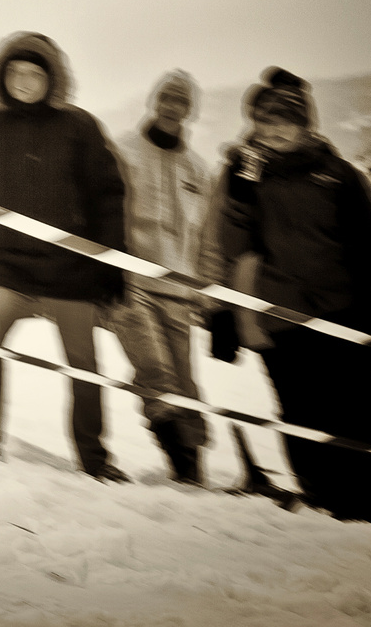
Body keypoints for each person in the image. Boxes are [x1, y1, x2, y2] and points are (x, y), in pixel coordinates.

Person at [201, 68, 371, 528]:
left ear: (306, 122)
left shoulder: (337, 173)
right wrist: (222, 311)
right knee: (302, 414)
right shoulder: (243, 172)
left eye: (286, 119)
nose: (275, 129)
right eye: (266, 120)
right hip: (278, 316)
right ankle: (336, 503)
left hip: (343, 312)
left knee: (363, 408)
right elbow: (224, 241)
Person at [0, 33, 131, 482]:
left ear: (52, 78)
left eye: (34, 73)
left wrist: (113, 267)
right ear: (0, 77)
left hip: (73, 272)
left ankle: (94, 457)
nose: (24, 81)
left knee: (84, 362)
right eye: (15, 73)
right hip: (10, 268)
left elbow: (109, 196)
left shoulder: (79, 127)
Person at [106, 71, 211, 485]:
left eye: (181, 100)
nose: (172, 106)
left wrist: (204, 293)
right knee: (155, 371)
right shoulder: (123, 150)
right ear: (154, 100)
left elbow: (201, 236)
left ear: (190, 110)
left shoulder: (198, 169)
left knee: (186, 382)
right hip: (129, 281)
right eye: (166, 97)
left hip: (180, 290)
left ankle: (194, 464)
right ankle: (179, 457)